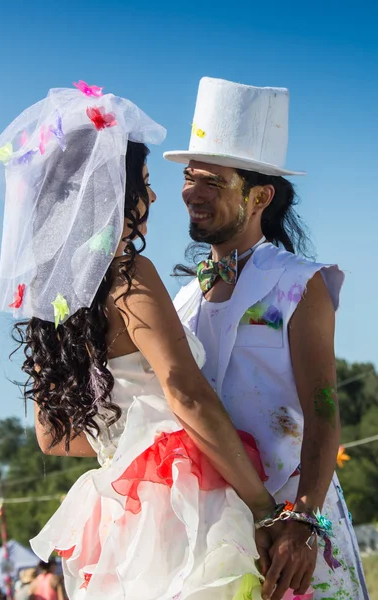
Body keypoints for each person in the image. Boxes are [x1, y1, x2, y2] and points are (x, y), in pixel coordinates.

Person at [0, 82, 299, 599]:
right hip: (184, 499)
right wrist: (262, 507)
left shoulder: (49, 308)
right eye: (143, 183)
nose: (154, 195)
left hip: (120, 514)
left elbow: (52, 437)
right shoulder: (129, 276)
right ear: (112, 197)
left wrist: (124, 445)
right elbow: (185, 392)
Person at [165, 76, 369, 600]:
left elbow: (323, 410)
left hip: (296, 535)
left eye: (213, 181)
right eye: (190, 177)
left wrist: (304, 524)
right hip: (216, 539)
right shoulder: (181, 302)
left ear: (261, 195)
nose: (192, 192)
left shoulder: (300, 283)